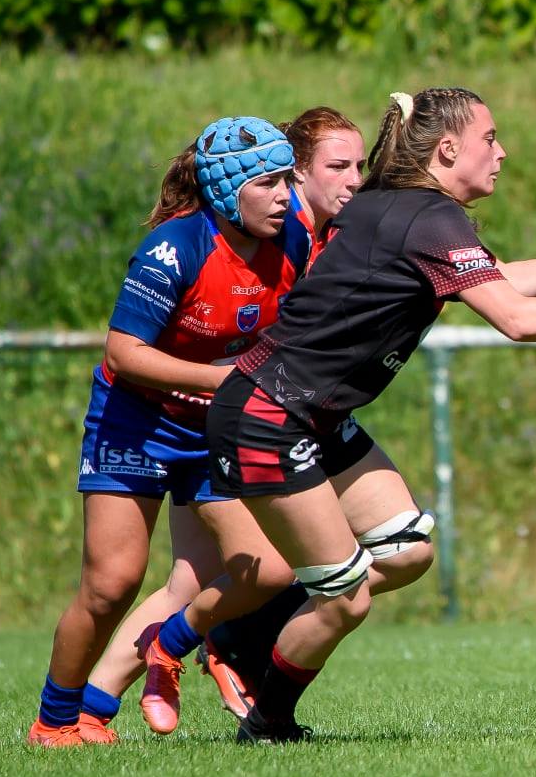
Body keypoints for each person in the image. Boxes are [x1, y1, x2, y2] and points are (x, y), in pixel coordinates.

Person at [204, 87, 536, 742]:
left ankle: (266, 621)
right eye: (489, 139)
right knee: (346, 596)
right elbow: (515, 318)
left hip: (310, 415)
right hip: (271, 415)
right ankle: (265, 719)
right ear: (447, 148)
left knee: (406, 550)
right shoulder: (428, 217)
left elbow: (492, 279)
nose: (501, 151)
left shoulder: (402, 206)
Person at [110, 107, 448, 732]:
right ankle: (86, 709)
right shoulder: (274, 227)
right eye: (336, 168)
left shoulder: (323, 232)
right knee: (172, 580)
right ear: (293, 175)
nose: (354, 182)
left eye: (360, 168)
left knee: (398, 553)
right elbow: (140, 347)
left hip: (277, 415)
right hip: (227, 418)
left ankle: (166, 668)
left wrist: (398, 144)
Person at [28, 117, 312, 746]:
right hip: (136, 420)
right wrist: (227, 381)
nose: (285, 196)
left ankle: (169, 648)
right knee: (111, 585)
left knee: (270, 568)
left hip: (212, 427)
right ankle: (55, 722)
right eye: (268, 183)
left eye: (288, 180)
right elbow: (125, 352)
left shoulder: (293, 242)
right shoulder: (175, 248)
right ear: (225, 191)